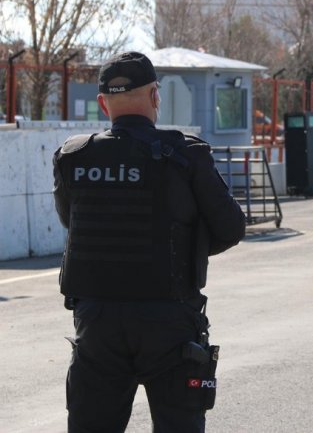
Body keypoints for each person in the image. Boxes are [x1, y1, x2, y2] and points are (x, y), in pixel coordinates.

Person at [52, 51, 246, 432]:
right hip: (170, 321)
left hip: (97, 323)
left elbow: (71, 224)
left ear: (103, 104)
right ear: (156, 96)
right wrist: (178, 246)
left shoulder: (73, 157)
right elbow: (230, 228)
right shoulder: (185, 154)